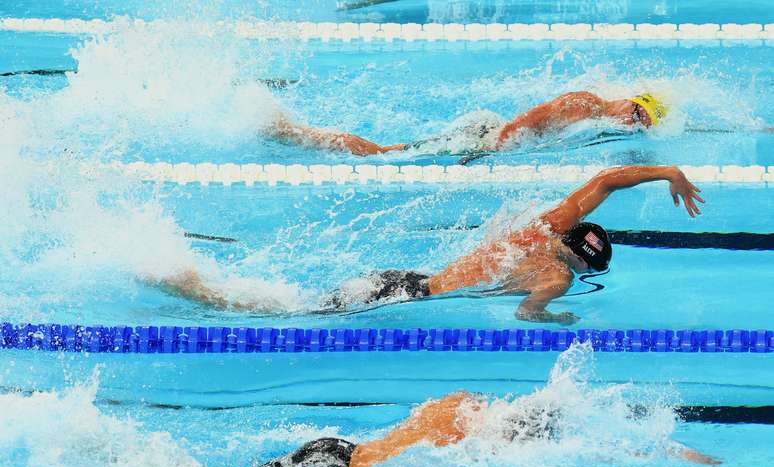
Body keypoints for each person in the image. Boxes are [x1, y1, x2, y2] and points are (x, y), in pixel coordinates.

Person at [155, 164, 703, 324]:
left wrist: (668, 171)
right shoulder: (557, 277)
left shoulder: (543, 224)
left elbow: (606, 179)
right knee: (283, 316)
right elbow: (526, 314)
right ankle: (190, 287)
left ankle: (192, 281)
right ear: (583, 263)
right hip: (400, 298)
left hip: (400, 278)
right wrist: (559, 318)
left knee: (297, 304)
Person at [235, 390, 721, 467]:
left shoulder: (462, 404)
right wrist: (672, 451)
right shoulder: (479, 452)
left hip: (334, 447)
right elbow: (602, 450)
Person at [267, 91, 668, 156]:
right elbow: (533, 119)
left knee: (393, 153)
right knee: (384, 157)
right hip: (487, 136)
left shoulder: (596, 115)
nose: (631, 121)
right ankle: (292, 132)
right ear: (630, 97)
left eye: (640, 123)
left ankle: (295, 132)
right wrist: (498, 146)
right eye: (635, 111)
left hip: (490, 138)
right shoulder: (586, 102)